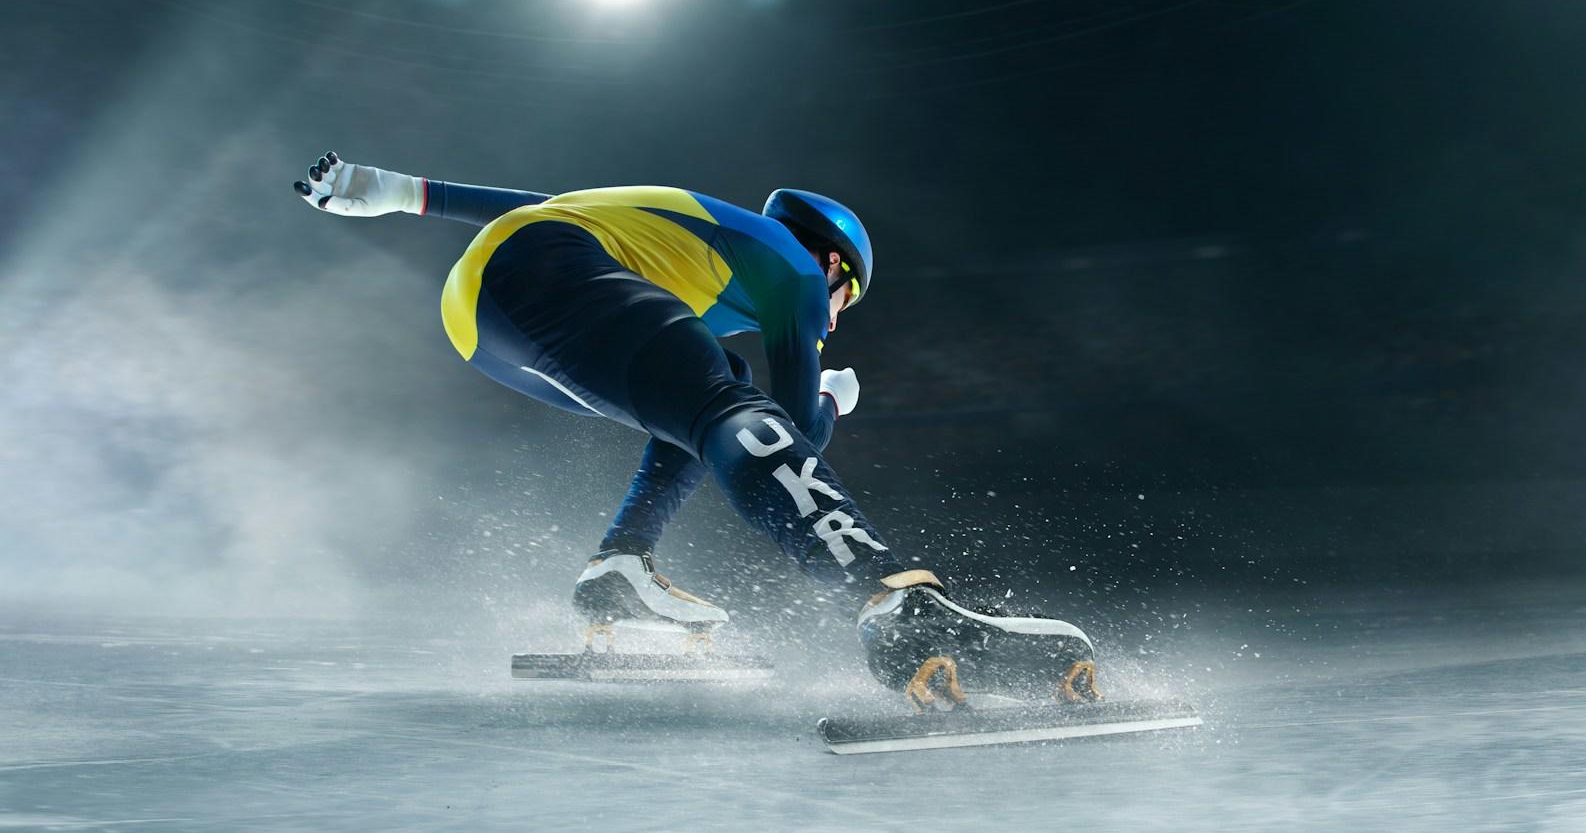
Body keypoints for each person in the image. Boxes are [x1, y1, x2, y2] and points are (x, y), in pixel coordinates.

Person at [294, 152, 1102, 706]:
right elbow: (793, 440)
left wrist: (401, 191)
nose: (832, 318)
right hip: (544, 275)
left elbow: (536, 211)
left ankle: (619, 566)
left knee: (713, 396)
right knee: (738, 409)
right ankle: (898, 603)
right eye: (844, 301)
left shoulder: (698, 245)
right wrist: (831, 401)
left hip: (481, 324)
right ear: (835, 268)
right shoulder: (791, 265)